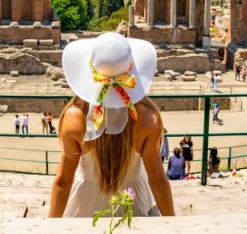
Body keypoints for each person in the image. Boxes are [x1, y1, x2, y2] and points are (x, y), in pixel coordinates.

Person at [49, 32, 174, 217]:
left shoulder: (73, 117)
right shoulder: (149, 118)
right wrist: (172, 224)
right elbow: (157, 179)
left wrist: (51, 226)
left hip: (85, 205)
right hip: (131, 200)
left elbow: (63, 181)